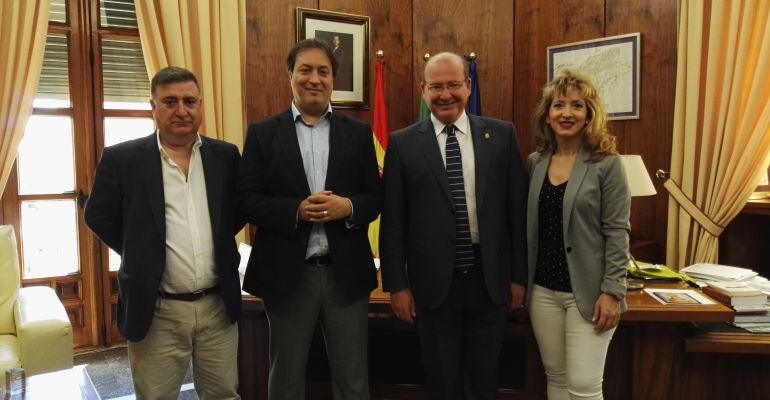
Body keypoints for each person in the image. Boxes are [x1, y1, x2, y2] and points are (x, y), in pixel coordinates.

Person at [84, 66, 243, 400]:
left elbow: (237, 212)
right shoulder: (123, 159)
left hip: (217, 306)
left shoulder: (225, 156)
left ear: (201, 105)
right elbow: (98, 215)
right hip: (156, 311)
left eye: (189, 101)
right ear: (153, 107)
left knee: (224, 394)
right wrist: (140, 250)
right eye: (170, 102)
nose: (181, 110)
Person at [379, 52, 528, 399]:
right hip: (432, 286)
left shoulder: (502, 136)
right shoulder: (402, 144)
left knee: (484, 380)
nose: (445, 94)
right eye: (436, 87)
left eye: (453, 85)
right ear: (423, 90)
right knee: (441, 381)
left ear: (468, 86)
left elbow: (516, 214)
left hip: (489, 281)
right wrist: (396, 286)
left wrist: (518, 277)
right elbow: (394, 221)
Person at [238, 38, 380, 400]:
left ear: (333, 79)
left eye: (323, 71)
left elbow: (376, 198)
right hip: (288, 275)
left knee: (352, 378)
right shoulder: (263, 134)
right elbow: (246, 201)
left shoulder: (359, 133)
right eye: (305, 70)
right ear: (290, 76)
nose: (314, 79)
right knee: (285, 379)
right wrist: (294, 211)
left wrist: (348, 207)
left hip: (345, 275)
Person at [526, 69, 630, 400]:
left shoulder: (606, 164)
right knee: (556, 378)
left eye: (576, 106)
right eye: (559, 105)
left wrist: (613, 291)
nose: (567, 113)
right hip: (543, 291)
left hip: (590, 293)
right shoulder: (535, 162)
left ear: (589, 115)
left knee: (584, 386)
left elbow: (617, 232)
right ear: (547, 114)